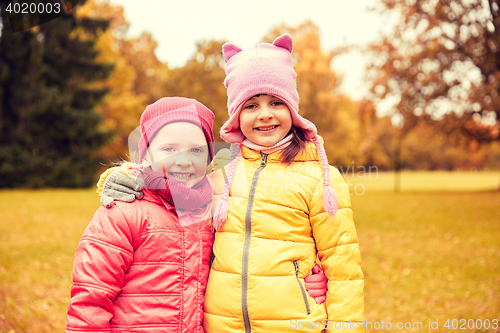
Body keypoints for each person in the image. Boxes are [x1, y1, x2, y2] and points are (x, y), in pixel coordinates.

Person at [202, 34, 364, 332]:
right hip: (222, 326)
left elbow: (344, 270)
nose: (265, 114)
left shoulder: (319, 176)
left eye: (276, 102)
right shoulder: (219, 171)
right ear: (236, 115)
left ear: (292, 108)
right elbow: (165, 190)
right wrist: (123, 179)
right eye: (251, 105)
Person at [66, 97, 217, 333]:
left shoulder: (212, 214)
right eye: (169, 149)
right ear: (145, 156)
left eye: (196, 150)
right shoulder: (123, 213)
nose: (184, 161)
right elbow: (91, 299)